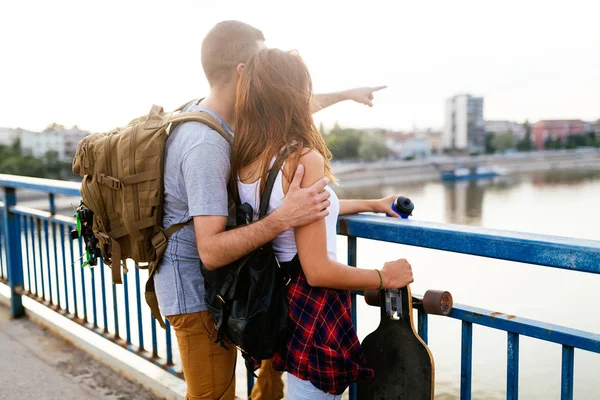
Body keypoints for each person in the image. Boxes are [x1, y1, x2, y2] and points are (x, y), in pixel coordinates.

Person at [154, 20, 390, 400]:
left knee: (270, 387)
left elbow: (292, 103)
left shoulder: (236, 126)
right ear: (245, 72)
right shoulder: (205, 144)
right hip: (200, 293)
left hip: (247, 282)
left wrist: (346, 94)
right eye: (262, 60)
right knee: (212, 396)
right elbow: (211, 252)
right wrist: (284, 218)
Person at [232, 49, 415, 399]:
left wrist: (374, 204)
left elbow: (304, 213)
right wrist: (383, 277)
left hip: (280, 299)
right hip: (313, 305)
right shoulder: (301, 158)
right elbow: (317, 270)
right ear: (296, 94)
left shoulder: (249, 155)